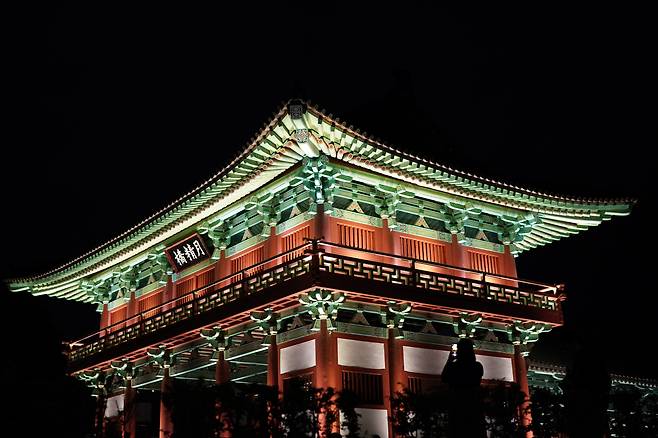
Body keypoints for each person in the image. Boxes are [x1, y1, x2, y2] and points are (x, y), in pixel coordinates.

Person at [442, 338, 487, 437]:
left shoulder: (454, 367)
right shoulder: (477, 366)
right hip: (474, 404)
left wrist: (450, 360)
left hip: (457, 405)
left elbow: (444, 378)